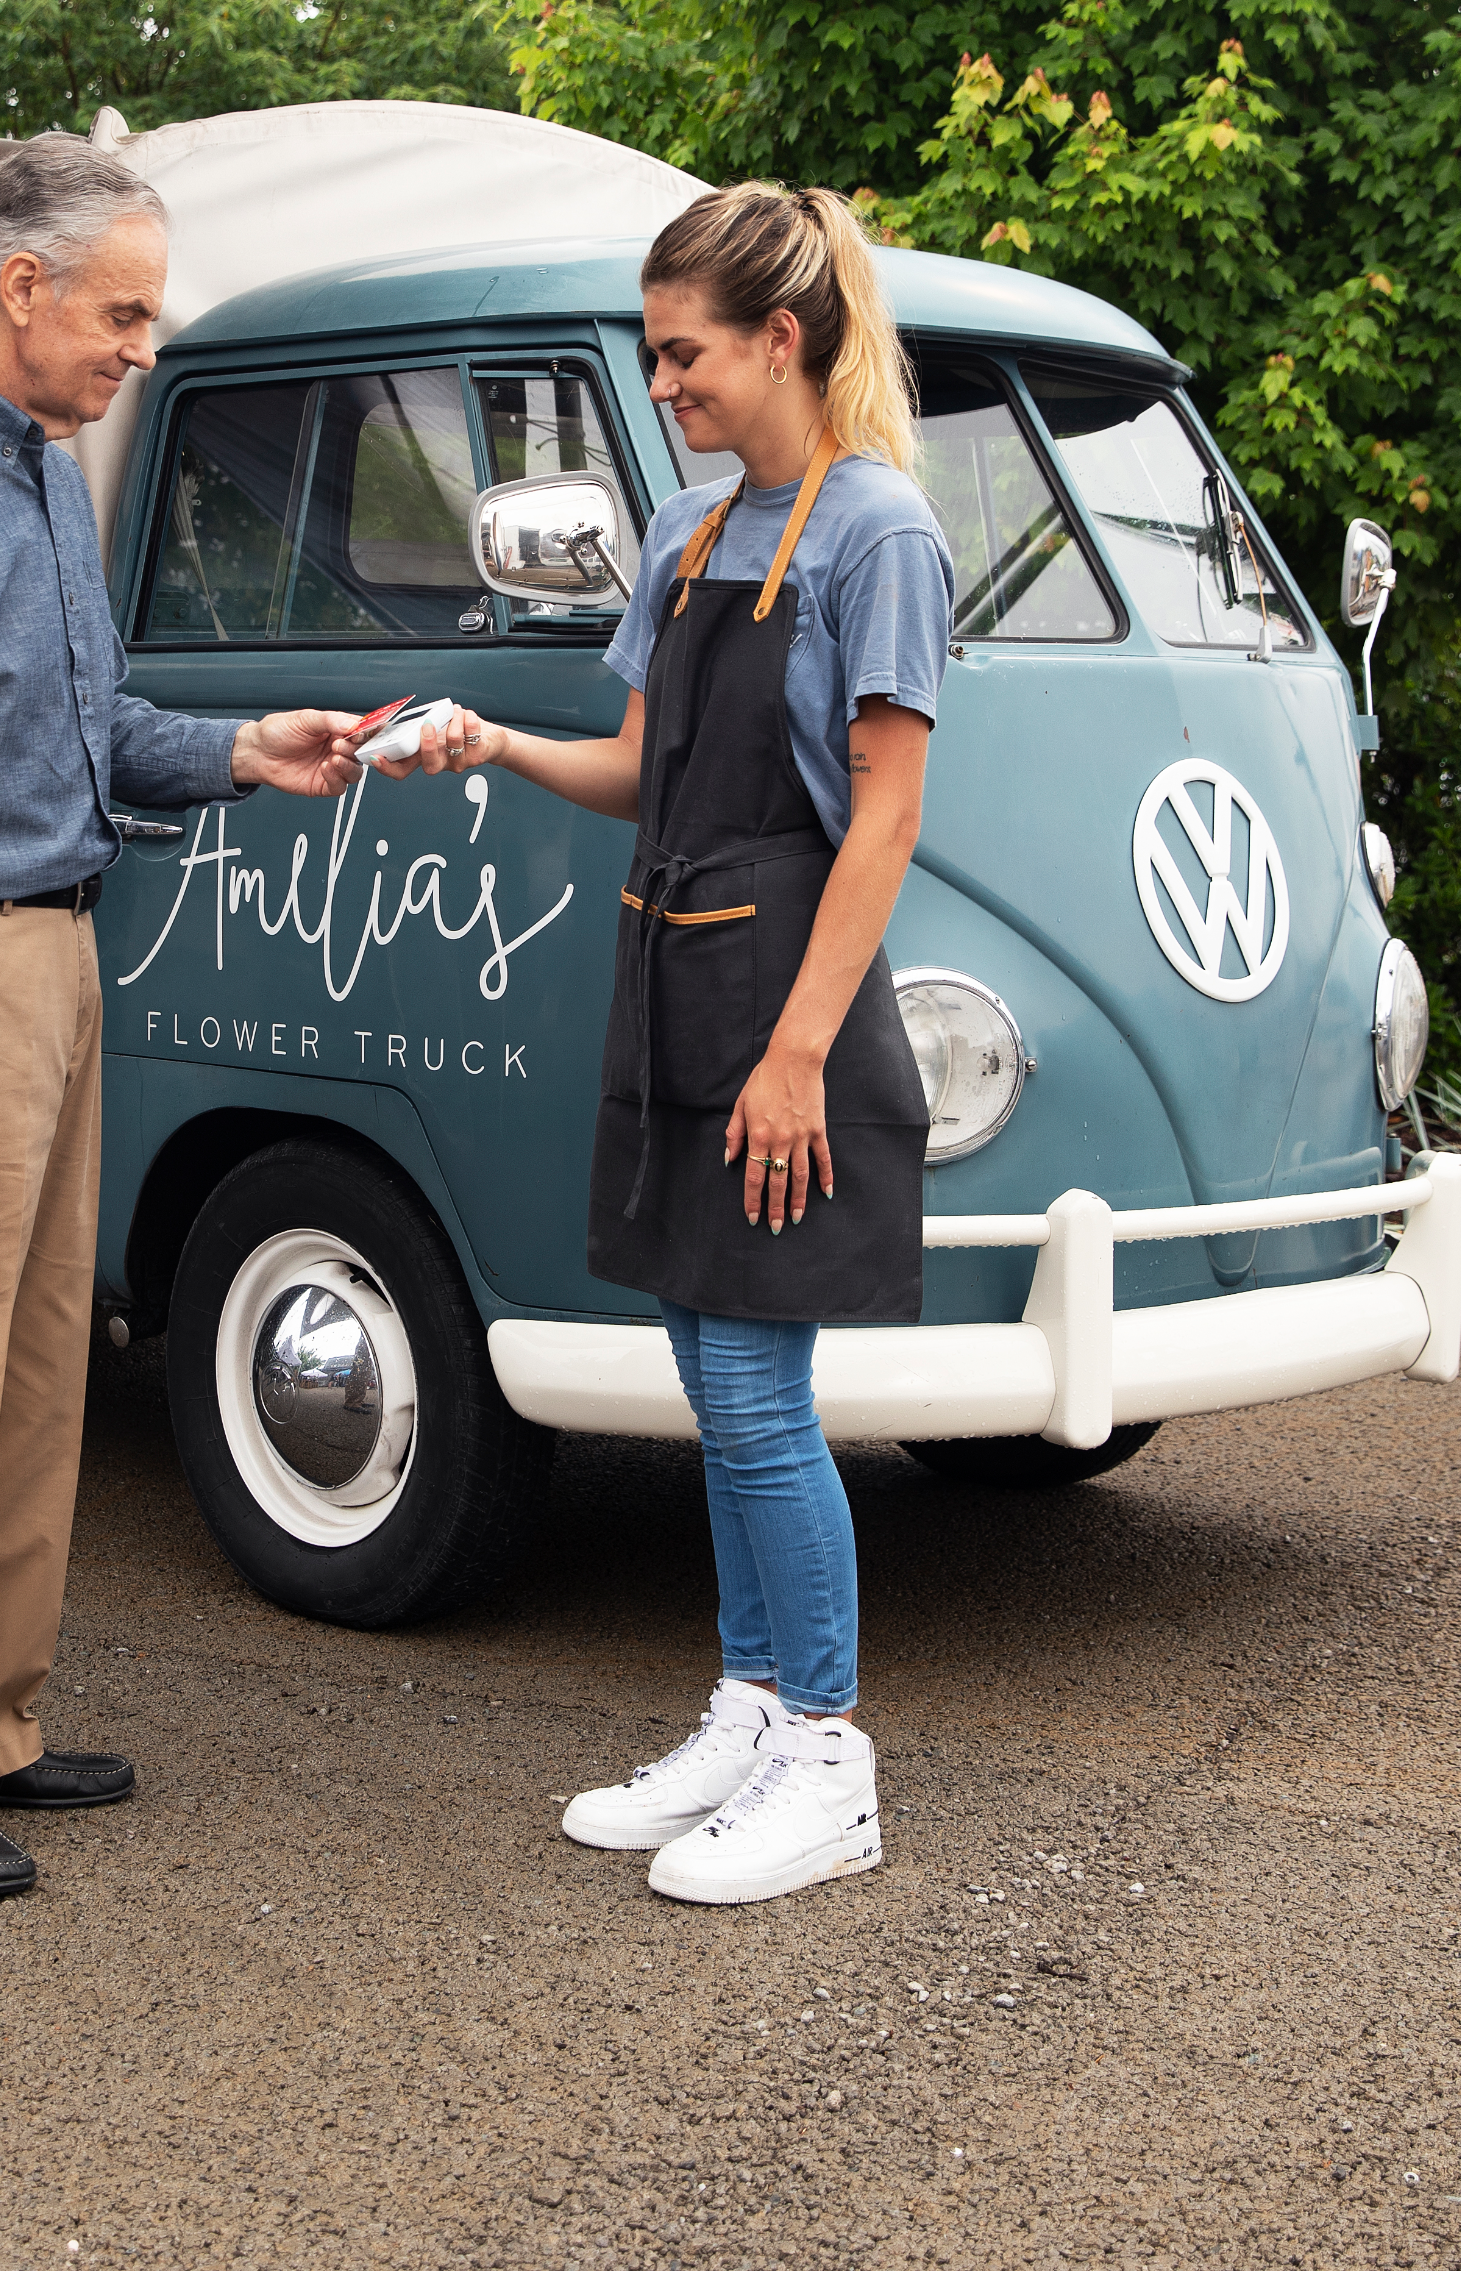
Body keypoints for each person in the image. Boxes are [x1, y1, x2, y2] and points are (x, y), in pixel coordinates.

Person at [0, 134, 370, 1901]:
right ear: (18, 289)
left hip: (49, 953)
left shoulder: (43, 474)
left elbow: (85, 735)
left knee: (33, 1376)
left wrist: (247, 753)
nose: (139, 342)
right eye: (120, 310)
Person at [389, 182, 952, 1905]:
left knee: (762, 1395)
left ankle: (830, 1758)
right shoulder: (696, 536)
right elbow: (642, 768)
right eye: (656, 356)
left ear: (782, 336)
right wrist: (491, 739)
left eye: (684, 353)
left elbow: (884, 817)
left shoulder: (878, 536)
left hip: (783, 993)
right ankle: (753, 1701)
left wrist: (797, 1055)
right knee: (714, 1385)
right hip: (675, 972)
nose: (665, 387)